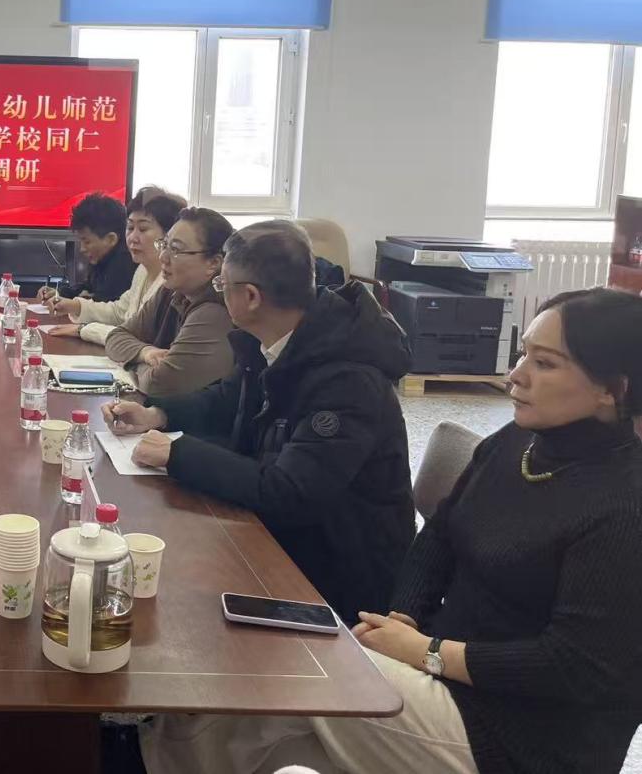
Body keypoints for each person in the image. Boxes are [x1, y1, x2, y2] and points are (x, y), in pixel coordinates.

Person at [141, 288, 642, 774]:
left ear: (613, 390)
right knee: (247, 709)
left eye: (545, 363)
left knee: (278, 671)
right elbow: (440, 537)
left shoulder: (624, 505)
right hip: (441, 671)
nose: (516, 375)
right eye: (523, 353)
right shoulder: (518, 441)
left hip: (516, 734)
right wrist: (405, 617)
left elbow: (575, 667)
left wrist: (427, 653)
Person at [105, 220, 414, 626]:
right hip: (275, 537)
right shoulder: (276, 338)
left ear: (250, 296)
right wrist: (158, 413)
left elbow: (289, 492)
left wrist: (178, 454)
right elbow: (228, 397)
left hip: (334, 581)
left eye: (222, 284)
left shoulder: (348, 380)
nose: (219, 292)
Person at [105, 207, 237, 401]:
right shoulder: (171, 291)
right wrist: (145, 353)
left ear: (213, 263)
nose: (163, 257)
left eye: (175, 249)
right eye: (164, 245)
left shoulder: (215, 312)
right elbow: (116, 337)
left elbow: (158, 385)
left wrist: (132, 364)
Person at [50, 191, 185, 344]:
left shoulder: (173, 282)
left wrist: (83, 330)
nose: (132, 238)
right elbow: (119, 312)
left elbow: (138, 336)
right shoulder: (142, 270)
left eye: (143, 229)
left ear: (169, 235)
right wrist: (76, 306)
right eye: (130, 227)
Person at [37, 192, 133, 304]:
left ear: (111, 239)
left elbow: (106, 305)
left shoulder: (125, 263)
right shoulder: (103, 258)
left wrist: (80, 302)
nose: (82, 249)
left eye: (87, 242)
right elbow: (88, 287)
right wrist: (59, 293)